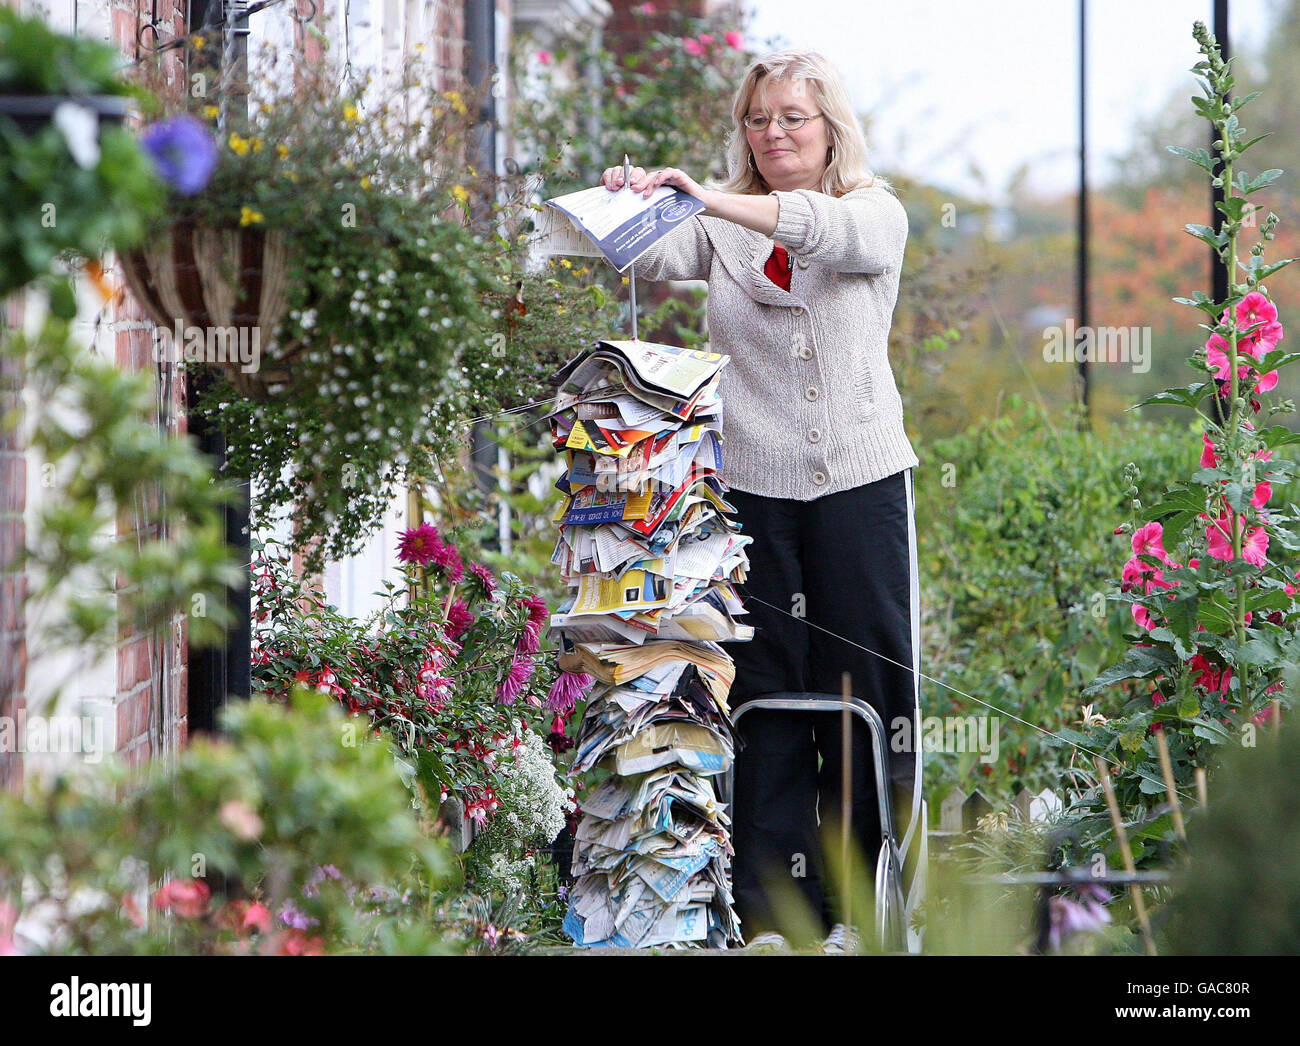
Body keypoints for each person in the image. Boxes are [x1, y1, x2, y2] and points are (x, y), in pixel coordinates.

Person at [600, 48, 923, 953]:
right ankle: (774, 913)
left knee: (865, 684)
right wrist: (630, 204)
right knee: (762, 681)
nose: (774, 133)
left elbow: (819, 231)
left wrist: (702, 195)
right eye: (758, 120)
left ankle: (865, 905)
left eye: (793, 118)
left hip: (860, 483)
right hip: (751, 486)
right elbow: (646, 252)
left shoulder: (875, 212)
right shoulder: (718, 224)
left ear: (830, 129)